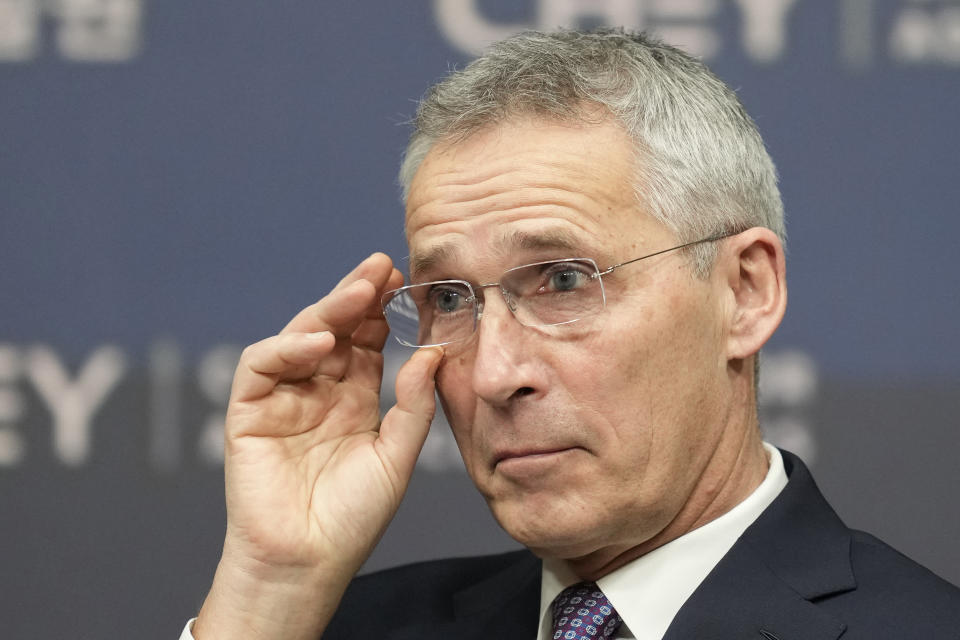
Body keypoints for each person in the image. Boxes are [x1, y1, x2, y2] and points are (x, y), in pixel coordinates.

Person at [182, 29, 960, 639]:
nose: (493, 374)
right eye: (451, 298)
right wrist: (270, 592)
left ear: (744, 292)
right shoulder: (334, 629)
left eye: (561, 280)